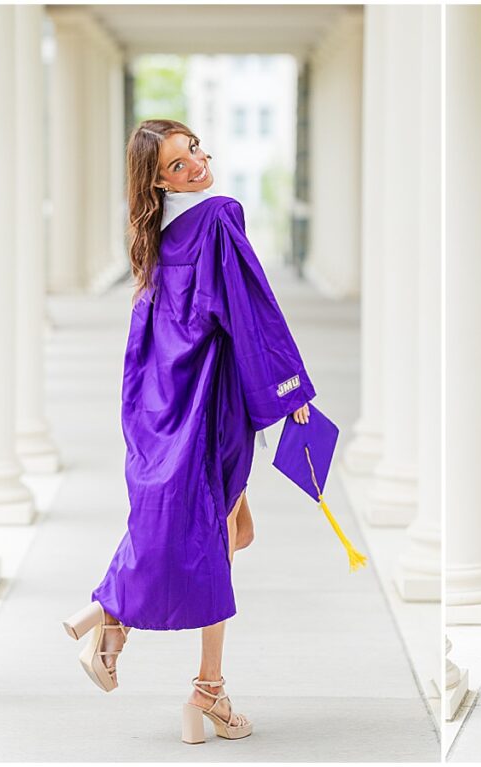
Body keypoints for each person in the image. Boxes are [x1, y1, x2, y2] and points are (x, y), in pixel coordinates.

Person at [61, 119, 314, 743]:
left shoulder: (152, 237)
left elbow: (150, 331)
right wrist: (289, 390)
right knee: (217, 533)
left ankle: (118, 617)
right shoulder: (219, 217)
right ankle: (203, 687)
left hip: (164, 398)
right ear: (158, 179)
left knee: (232, 529)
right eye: (179, 164)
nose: (197, 164)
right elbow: (249, 309)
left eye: (195, 149)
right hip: (207, 400)